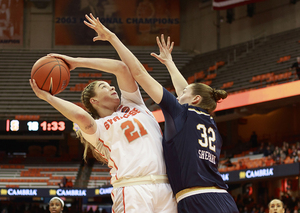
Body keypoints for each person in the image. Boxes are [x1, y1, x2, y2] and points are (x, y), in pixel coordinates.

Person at [83, 13, 239, 213]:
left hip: (197, 199)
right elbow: (188, 91)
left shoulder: (180, 112)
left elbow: (138, 73)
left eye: (182, 94)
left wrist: (112, 37)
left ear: (195, 100)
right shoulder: (209, 122)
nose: (177, 95)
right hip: (224, 199)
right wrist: (170, 64)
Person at [30, 45, 176, 212]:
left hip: (165, 185)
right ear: (94, 101)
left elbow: (121, 68)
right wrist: (48, 97)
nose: (112, 87)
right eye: (104, 87)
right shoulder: (98, 128)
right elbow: (81, 117)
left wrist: (76, 62)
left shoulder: (134, 103)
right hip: (133, 188)